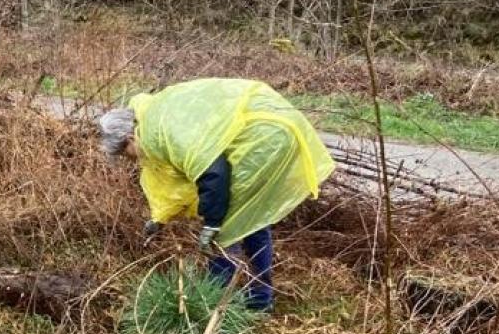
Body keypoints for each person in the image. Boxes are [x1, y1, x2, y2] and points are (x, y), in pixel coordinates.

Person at [98, 78, 334, 313]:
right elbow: (176, 183)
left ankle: (211, 305)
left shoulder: (160, 132)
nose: (131, 160)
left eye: (125, 153)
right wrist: (160, 218)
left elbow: (213, 173)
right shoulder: (155, 121)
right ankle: (259, 299)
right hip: (272, 130)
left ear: (130, 138)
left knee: (225, 230)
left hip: (263, 137)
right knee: (251, 221)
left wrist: (212, 223)